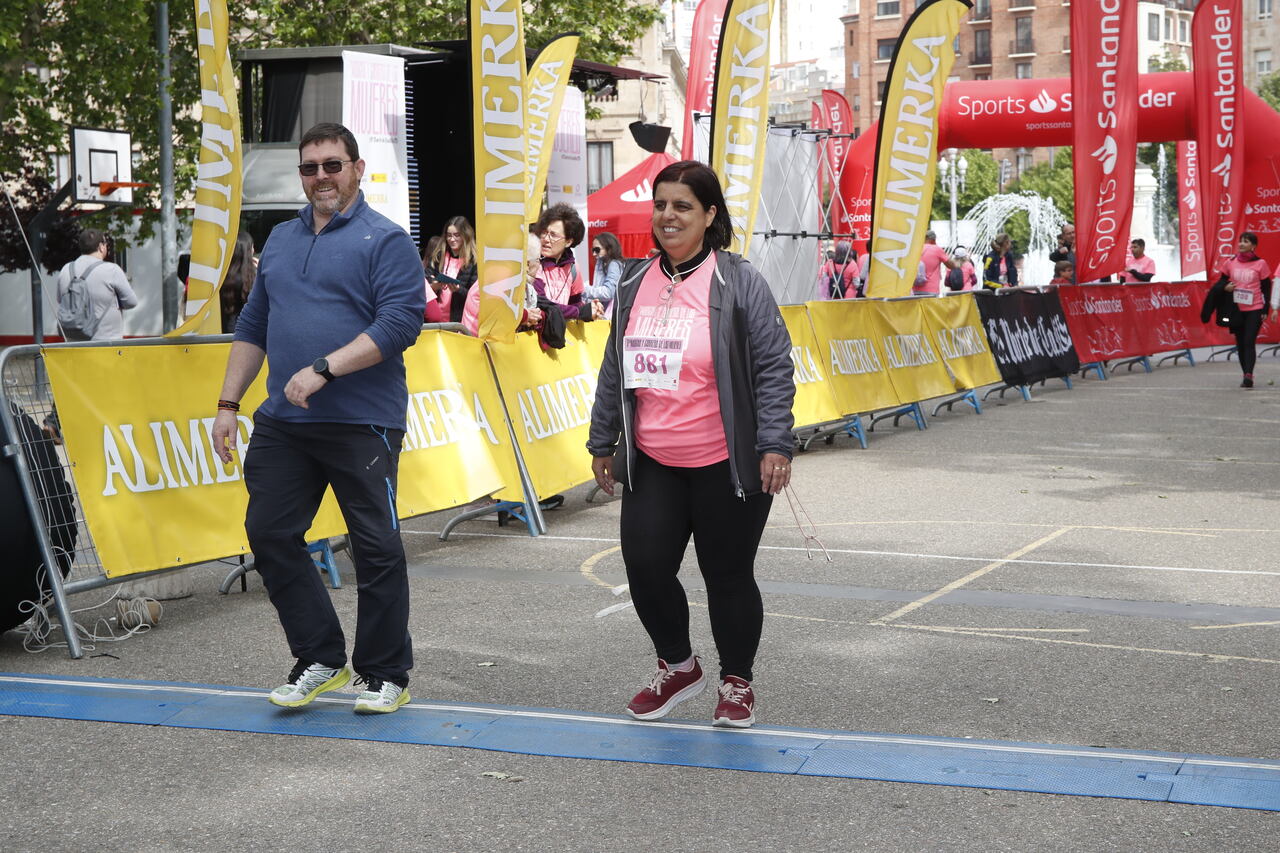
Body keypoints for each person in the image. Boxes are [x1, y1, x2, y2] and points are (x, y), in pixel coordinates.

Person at [210, 123, 426, 714]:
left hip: (363, 421)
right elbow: (254, 325)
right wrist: (228, 404)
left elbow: (401, 323)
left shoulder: (387, 240)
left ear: (357, 169)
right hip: (284, 422)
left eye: (333, 165)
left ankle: (386, 672)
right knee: (270, 534)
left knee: (375, 545)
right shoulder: (278, 238)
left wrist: (325, 369)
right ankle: (320, 658)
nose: (322, 177)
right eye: (310, 168)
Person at [587, 160, 796, 729]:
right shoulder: (633, 279)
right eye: (660, 205)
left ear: (709, 215)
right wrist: (602, 438)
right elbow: (615, 367)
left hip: (727, 461)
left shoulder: (738, 279)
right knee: (645, 568)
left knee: (726, 574)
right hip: (654, 457)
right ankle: (679, 666)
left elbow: (775, 365)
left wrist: (775, 442)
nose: (668, 216)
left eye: (682, 206)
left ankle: (736, 681)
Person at [1214, 232, 1275, 388]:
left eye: (1245, 242)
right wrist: (1225, 287)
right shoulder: (1230, 262)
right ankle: (1245, 373)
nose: (1241, 244)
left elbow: (1266, 288)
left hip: (1254, 308)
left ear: (1253, 246)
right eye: (1240, 241)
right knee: (1240, 343)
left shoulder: (1261, 263)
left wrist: (1265, 309)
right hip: (1236, 310)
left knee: (1249, 340)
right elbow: (1220, 282)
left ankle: (1249, 375)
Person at [55, 228, 139, 341]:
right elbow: (131, 302)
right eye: (105, 243)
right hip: (107, 343)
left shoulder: (66, 269)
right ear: (101, 246)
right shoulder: (112, 269)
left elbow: (61, 300)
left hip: (73, 344)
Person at [533, 203, 599, 322]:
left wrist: (591, 308)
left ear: (568, 242)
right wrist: (580, 312)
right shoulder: (533, 263)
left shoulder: (573, 269)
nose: (546, 239)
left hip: (558, 337)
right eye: (544, 232)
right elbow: (542, 304)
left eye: (553, 235)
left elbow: (575, 304)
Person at [425, 216, 478, 323]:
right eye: (449, 235)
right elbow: (426, 278)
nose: (452, 239)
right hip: (437, 318)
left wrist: (459, 290)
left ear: (466, 235)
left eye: (456, 235)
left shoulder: (474, 261)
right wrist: (433, 286)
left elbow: (476, 296)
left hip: (460, 320)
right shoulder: (439, 256)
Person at [220, 231, 257, 334]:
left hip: (221, 336)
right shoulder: (254, 278)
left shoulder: (220, 279)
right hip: (249, 337)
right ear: (248, 251)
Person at [587, 231, 624, 308]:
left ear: (608, 248)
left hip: (610, 314)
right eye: (592, 250)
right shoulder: (603, 262)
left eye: (597, 250)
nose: (594, 254)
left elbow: (608, 292)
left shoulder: (613, 264)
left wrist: (584, 290)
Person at [913, 230, 956, 296]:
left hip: (914, 289)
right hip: (931, 290)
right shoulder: (937, 249)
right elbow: (951, 266)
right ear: (933, 239)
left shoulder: (915, 249)